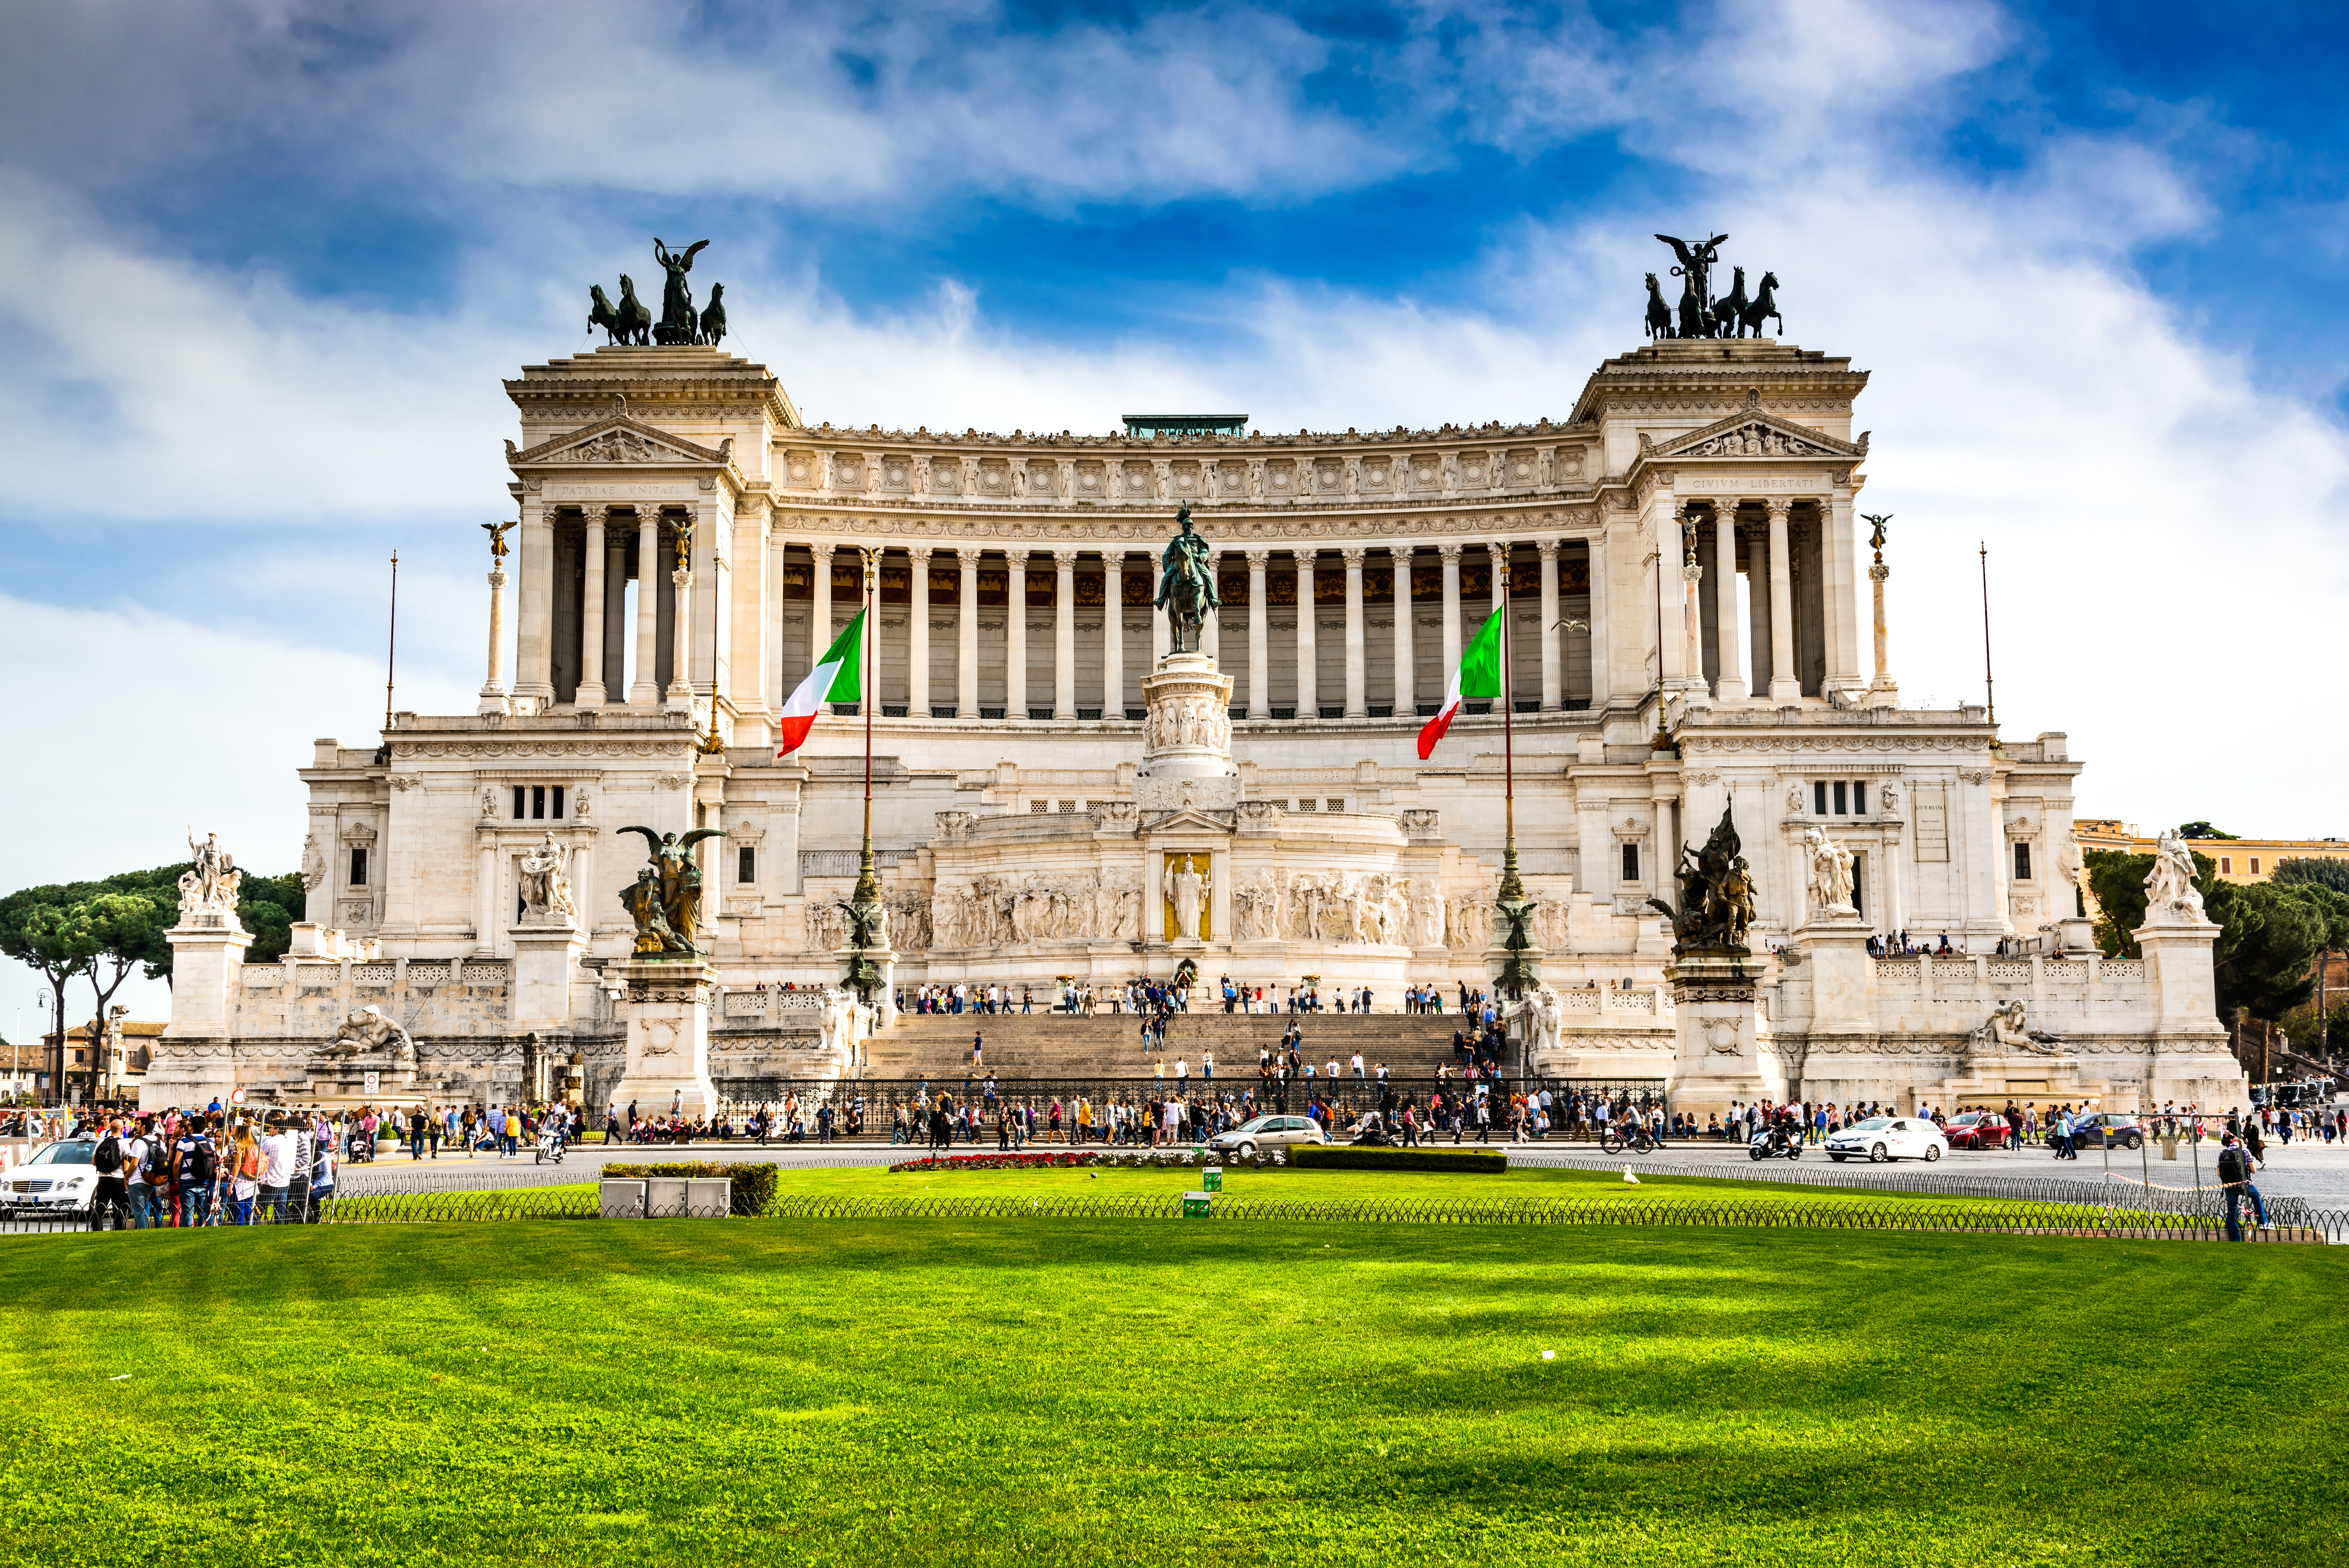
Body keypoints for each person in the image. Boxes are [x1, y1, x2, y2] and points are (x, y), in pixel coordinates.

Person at [2216, 1134, 2270, 1240]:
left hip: (2230, 1186)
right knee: (2256, 1197)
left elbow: (2219, 1174)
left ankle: (2236, 1238)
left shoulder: (2222, 1154)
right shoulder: (2245, 1151)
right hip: (2244, 1184)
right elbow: (2254, 1170)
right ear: (2241, 1143)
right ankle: (2264, 1222)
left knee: (2232, 1210)